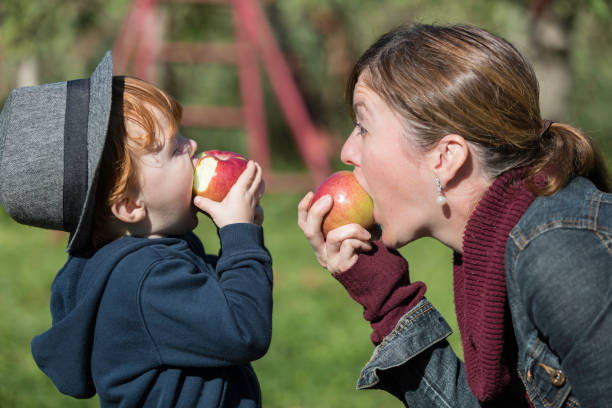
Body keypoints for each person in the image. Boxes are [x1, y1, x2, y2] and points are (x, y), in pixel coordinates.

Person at [298, 24, 612, 408]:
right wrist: (384, 296)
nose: (347, 151)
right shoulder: (493, 245)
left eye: (363, 128)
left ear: (445, 157)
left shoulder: (562, 255)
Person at [0, 52, 272, 407]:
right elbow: (243, 329)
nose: (191, 145)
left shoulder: (136, 259)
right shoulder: (148, 279)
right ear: (130, 206)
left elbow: (221, 296)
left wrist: (241, 231)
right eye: (174, 149)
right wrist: (241, 235)